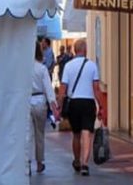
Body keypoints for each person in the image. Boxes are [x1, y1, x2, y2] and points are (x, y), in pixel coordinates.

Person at [57, 39, 104, 176]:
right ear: (85, 49)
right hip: (88, 103)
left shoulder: (68, 66)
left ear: (75, 50)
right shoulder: (92, 66)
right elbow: (96, 89)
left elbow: (63, 88)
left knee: (76, 134)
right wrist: (100, 106)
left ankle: (77, 160)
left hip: (74, 103)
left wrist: (59, 105)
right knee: (86, 134)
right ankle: (85, 164)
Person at [26, 39, 54, 174]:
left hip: (26, 102)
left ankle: (27, 162)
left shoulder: (23, 68)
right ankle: (39, 163)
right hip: (40, 101)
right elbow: (48, 88)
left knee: (27, 135)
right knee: (39, 134)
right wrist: (53, 105)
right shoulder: (42, 68)